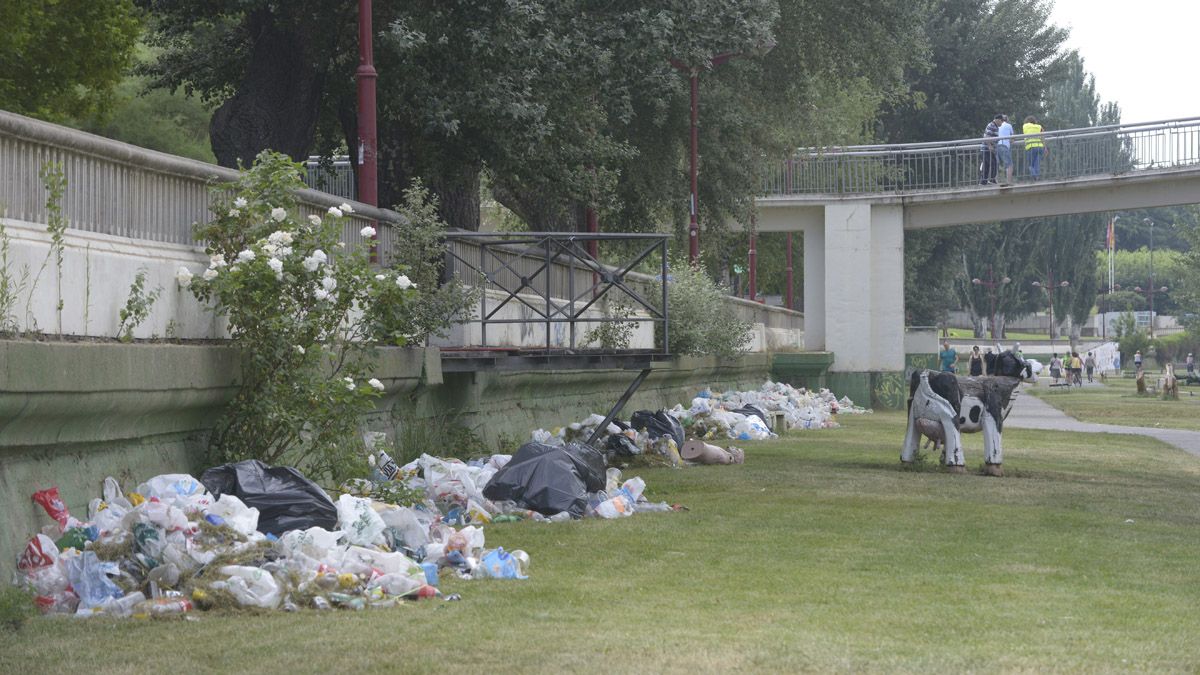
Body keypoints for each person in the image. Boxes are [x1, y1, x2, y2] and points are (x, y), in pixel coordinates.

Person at [979, 114, 1003, 185]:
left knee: (986, 165)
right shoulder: (992, 125)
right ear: (998, 120)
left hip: (988, 149)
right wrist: (989, 146)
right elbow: (987, 136)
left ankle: (983, 182)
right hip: (987, 149)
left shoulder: (995, 126)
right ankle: (992, 179)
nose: (1001, 123)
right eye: (1001, 121)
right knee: (994, 163)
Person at [1023, 115, 1045, 180]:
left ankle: (1034, 175)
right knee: (1037, 164)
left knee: (1030, 165)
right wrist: (1045, 148)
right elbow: (1043, 136)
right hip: (1040, 147)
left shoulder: (1025, 126)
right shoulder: (1039, 126)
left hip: (1031, 147)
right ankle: (1037, 177)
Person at [996, 114, 1014, 184]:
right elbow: (1012, 138)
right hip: (1004, 146)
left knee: (996, 164)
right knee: (1009, 165)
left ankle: (996, 182)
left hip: (996, 145)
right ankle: (1009, 182)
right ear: (1007, 120)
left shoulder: (996, 126)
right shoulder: (1008, 125)